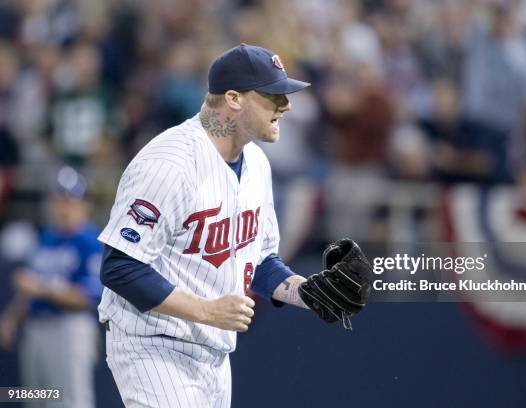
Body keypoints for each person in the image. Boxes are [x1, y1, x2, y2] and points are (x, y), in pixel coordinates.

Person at [97, 44, 372, 408]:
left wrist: (307, 294)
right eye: (274, 95)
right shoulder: (170, 163)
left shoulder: (257, 163)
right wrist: (207, 311)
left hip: (214, 353)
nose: (286, 106)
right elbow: (120, 267)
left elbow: (257, 261)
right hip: (153, 343)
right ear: (233, 98)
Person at [0, 166, 103, 408]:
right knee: (37, 400)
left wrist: (43, 288)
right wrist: (12, 317)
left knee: (70, 402)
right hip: (36, 327)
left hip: (69, 328)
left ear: (84, 205)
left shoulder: (90, 242)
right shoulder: (47, 238)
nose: (62, 208)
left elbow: (91, 297)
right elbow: (30, 285)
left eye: (69, 201)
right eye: (58, 201)